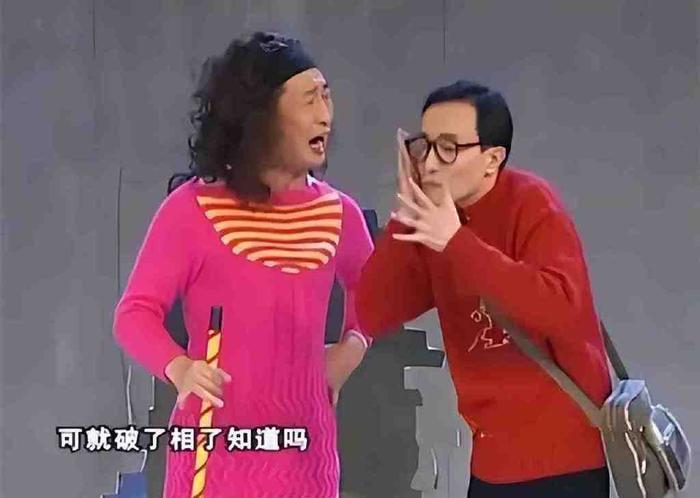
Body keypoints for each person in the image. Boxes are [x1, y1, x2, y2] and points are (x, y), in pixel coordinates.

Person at [113, 31, 374, 498]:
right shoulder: (192, 209)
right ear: (262, 116)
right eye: (309, 99)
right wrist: (180, 368)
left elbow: (380, 293)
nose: (325, 115)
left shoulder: (340, 214)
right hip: (212, 461)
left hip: (307, 462)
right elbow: (134, 314)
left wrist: (349, 350)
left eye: (326, 96)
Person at [355, 80, 612, 498]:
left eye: (448, 148)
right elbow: (372, 311)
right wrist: (407, 212)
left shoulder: (531, 202)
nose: (431, 163)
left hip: (565, 458)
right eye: (424, 146)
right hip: (490, 461)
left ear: (492, 159)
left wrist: (456, 242)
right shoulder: (436, 220)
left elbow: (561, 310)